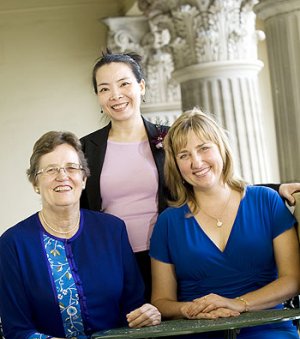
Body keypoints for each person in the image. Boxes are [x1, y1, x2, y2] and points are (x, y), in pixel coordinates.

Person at [80, 50, 300, 302]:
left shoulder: (173, 138)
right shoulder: (85, 149)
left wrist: (275, 188)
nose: (116, 95)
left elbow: (211, 180)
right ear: (98, 96)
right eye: (104, 89)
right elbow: (80, 209)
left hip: (170, 254)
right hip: (114, 261)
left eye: (124, 84)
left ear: (141, 86)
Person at [0, 131, 174, 339]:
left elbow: (133, 304)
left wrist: (146, 313)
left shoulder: (112, 230)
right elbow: (18, 332)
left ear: (83, 177)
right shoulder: (12, 244)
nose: (63, 176)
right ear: (35, 182)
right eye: (50, 170)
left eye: (71, 167)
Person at [149, 108, 300, 339]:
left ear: (221, 149)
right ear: (175, 165)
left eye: (204, 148)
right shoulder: (168, 222)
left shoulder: (266, 201)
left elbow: (292, 280)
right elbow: (161, 301)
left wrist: (237, 304)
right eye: (184, 155)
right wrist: (189, 309)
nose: (196, 162)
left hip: (266, 331)